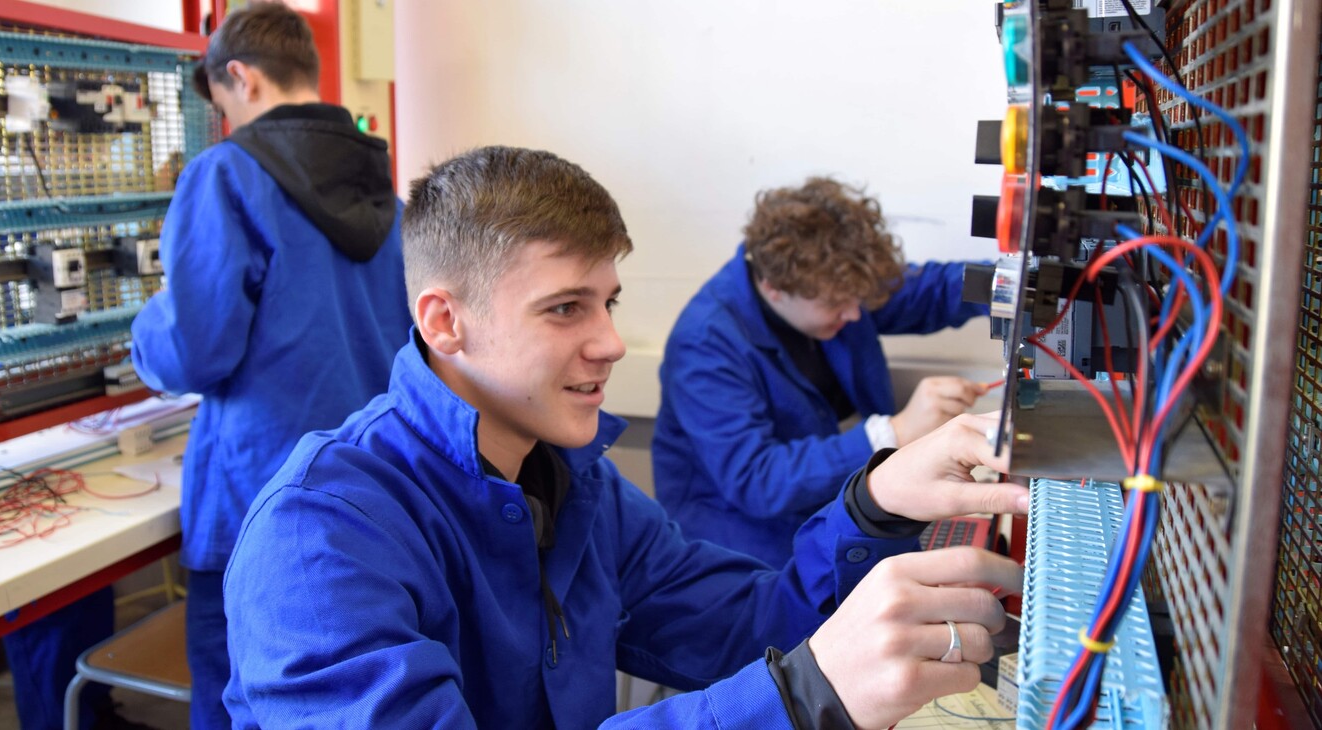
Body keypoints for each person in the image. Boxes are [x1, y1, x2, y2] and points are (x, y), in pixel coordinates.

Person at [222, 146, 1028, 729]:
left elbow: (755, 624)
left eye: (609, 302)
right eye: (566, 307)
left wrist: (876, 501)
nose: (610, 341)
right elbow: (785, 671)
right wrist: (796, 698)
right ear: (444, 321)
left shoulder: (578, 487)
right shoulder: (321, 535)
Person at [129, 4, 410, 726]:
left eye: (221, 103)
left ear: (240, 78)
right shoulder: (385, 184)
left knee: (238, 699)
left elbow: (195, 349)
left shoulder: (225, 175)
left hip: (260, 495)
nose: (224, 120)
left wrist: (145, 329)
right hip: (377, 488)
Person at [653, 177, 991, 569]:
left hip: (840, 506)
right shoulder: (705, 343)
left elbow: (929, 290)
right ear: (775, 287)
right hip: (749, 550)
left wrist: (1005, 283)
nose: (854, 314)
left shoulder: (833, 282)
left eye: (857, 300)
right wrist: (894, 433)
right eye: (836, 305)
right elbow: (759, 479)